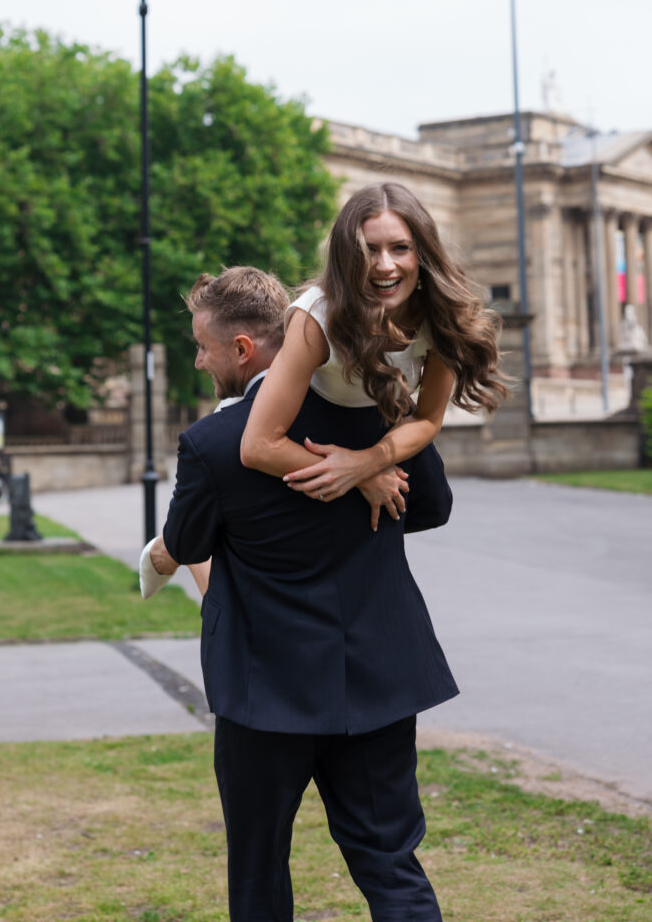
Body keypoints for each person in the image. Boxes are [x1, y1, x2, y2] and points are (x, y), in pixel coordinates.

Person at [141, 265, 458, 922]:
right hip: (379, 680)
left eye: (201, 346)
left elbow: (185, 541)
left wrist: (156, 561)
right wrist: (374, 458)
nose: (198, 361)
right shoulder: (372, 411)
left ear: (242, 349)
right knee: (389, 861)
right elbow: (430, 508)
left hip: (266, 695)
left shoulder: (213, 443)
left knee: (258, 870)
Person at [241, 182, 508, 528]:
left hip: (377, 447)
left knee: (431, 506)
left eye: (400, 248)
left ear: (421, 253)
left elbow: (428, 419)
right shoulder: (315, 318)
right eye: (369, 250)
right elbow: (258, 445)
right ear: (348, 257)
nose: (385, 265)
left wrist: (365, 463)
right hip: (307, 447)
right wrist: (362, 475)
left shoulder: (439, 315)